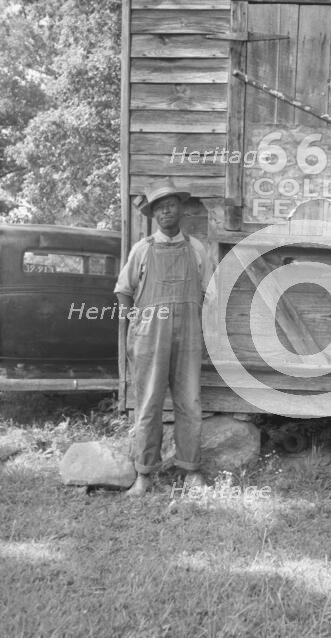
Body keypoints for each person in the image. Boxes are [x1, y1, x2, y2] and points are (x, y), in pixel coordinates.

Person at [115, 177, 206, 495]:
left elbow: (206, 292)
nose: (166, 212)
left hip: (189, 338)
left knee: (190, 403)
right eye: (160, 208)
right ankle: (144, 474)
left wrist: (195, 324)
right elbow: (123, 291)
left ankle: (191, 470)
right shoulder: (141, 250)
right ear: (154, 215)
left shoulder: (197, 249)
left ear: (180, 209)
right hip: (149, 337)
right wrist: (134, 323)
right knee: (148, 406)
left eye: (171, 205)